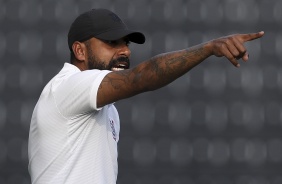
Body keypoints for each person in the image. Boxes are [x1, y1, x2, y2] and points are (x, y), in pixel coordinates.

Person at [28, 8, 264, 184]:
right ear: (80, 50)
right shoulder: (67, 86)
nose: (126, 51)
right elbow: (141, 78)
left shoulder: (106, 109)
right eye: (112, 42)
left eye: (126, 43)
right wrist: (209, 48)